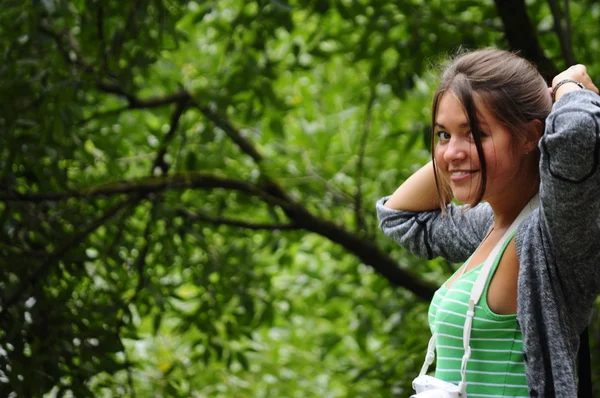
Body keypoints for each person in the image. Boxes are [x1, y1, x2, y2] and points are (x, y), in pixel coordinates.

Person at [376, 48, 600, 397]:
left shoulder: (552, 233)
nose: (450, 150)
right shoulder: (487, 224)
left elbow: (578, 133)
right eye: (443, 134)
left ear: (529, 136)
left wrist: (568, 85)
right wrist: (458, 156)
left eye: (477, 132)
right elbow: (399, 217)